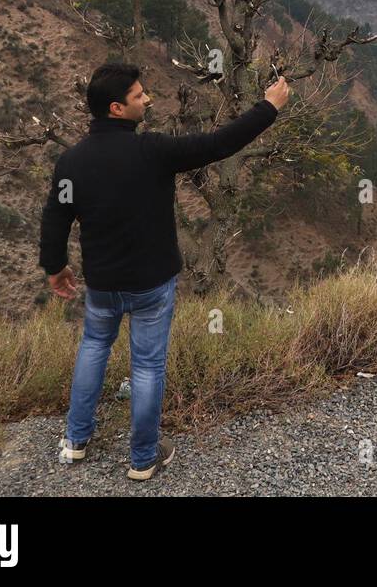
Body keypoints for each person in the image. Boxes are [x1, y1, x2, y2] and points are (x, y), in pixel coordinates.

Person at [39, 62, 290, 480]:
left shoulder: (72, 161)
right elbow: (219, 144)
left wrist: (55, 267)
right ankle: (142, 458)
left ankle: (76, 440)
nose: (148, 99)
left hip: (102, 283)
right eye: (140, 96)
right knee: (148, 365)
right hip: (151, 283)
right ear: (117, 108)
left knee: (94, 348)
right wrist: (269, 107)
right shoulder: (153, 151)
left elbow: (55, 218)